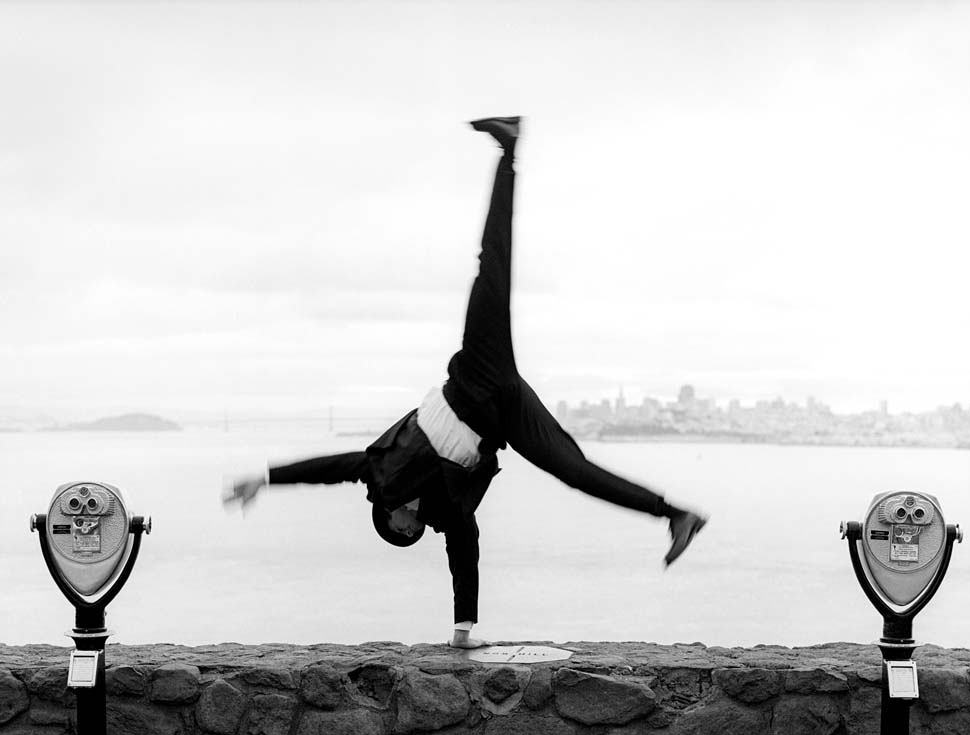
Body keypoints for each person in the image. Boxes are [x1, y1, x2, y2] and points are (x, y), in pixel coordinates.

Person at [223, 116, 707, 648]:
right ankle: (676, 514)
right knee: (574, 471)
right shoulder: (447, 511)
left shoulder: (378, 473)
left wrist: (264, 479)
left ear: (387, 515)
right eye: (411, 536)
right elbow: (464, 553)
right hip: (505, 415)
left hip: (478, 371)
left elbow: (325, 469)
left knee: (491, 267)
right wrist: (463, 630)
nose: (412, 530)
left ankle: (508, 154)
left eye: (401, 531)